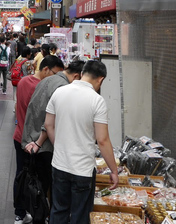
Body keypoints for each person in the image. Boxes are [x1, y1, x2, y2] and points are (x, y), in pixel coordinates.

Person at [44, 61, 118, 224]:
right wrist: (114, 170)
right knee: (80, 216)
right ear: (101, 80)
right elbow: (103, 140)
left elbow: (48, 125)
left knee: (58, 210)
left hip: (59, 164)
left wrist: (61, 146)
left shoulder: (59, 92)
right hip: (82, 170)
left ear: (82, 73)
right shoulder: (97, 100)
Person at [22, 60, 85, 209]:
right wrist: (40, 142)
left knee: (38, 189)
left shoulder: (47, 79)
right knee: (45, 190)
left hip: (31, 139)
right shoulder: (64, 87)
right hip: (45, 145)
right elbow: (51, 121)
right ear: (77, 76)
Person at [12, 55, 65, 224]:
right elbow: (44, 118)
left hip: (19, 136)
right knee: (39, 182)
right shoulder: (44, 88)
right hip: (36, 143)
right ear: (45, 69)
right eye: (55, 74)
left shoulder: (23, 82)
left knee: (22, 176)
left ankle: (19, 213)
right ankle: (39, 214)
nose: (57, 79)